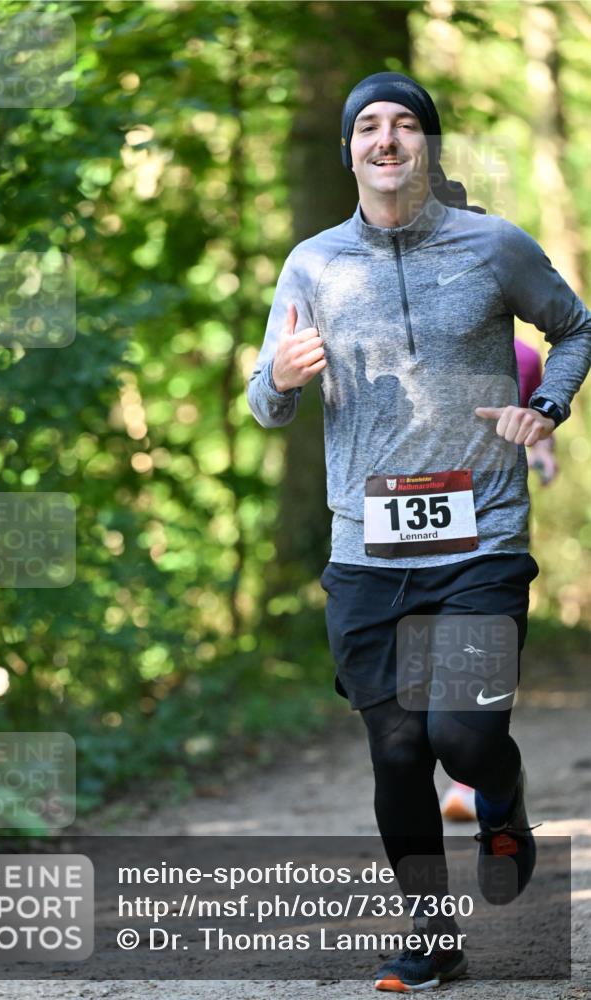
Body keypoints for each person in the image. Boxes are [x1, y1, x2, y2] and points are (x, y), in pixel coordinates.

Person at [247, 69, 591, 992]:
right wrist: (279, 378)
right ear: (349, 149)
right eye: (368, 125)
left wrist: (545, 407)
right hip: (367, 553)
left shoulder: (493, 246)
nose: (386, 138)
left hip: (480, 539)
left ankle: (499, 796)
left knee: (463, 736)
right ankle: (432, 939)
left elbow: (575, 328)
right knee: (397, 752)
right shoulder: (312, 265)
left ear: (427, 147)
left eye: (404, 123)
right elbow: (264, 405)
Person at [440, 337, 559, 823]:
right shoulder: (398, 336)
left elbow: (538, 420)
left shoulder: (524, 357)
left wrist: (543, 453)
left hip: (485, 528)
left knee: (470, 656)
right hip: (403, 534)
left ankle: (468, 780)